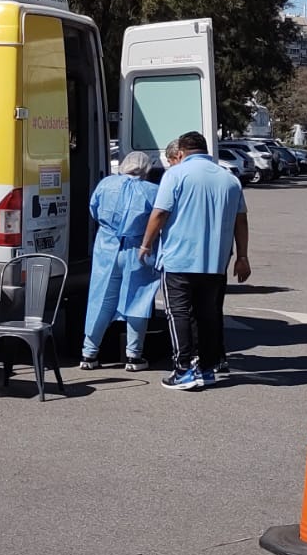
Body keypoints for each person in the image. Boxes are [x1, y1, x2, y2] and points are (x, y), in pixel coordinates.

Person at [138, 132, 250, 391]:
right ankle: (207, 368)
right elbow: (241, 220)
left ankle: (183, 369)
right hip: (215, 261)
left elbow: (160, 213)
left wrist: (146, 244)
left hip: (179, 259)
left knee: (177, 313)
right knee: (207, 315)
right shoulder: (229, 179)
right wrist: (242, 256)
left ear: (181, 153)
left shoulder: (176, 175)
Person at [79, 151, 162, 372]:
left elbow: (94, 210)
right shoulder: (152, 190)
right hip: (138, 248)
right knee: (137, 300)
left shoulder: (106, 184)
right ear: (147, 168)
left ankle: (89, 353)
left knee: (101, 298)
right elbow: (160, 218)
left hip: (106, 246)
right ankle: (134, 356)